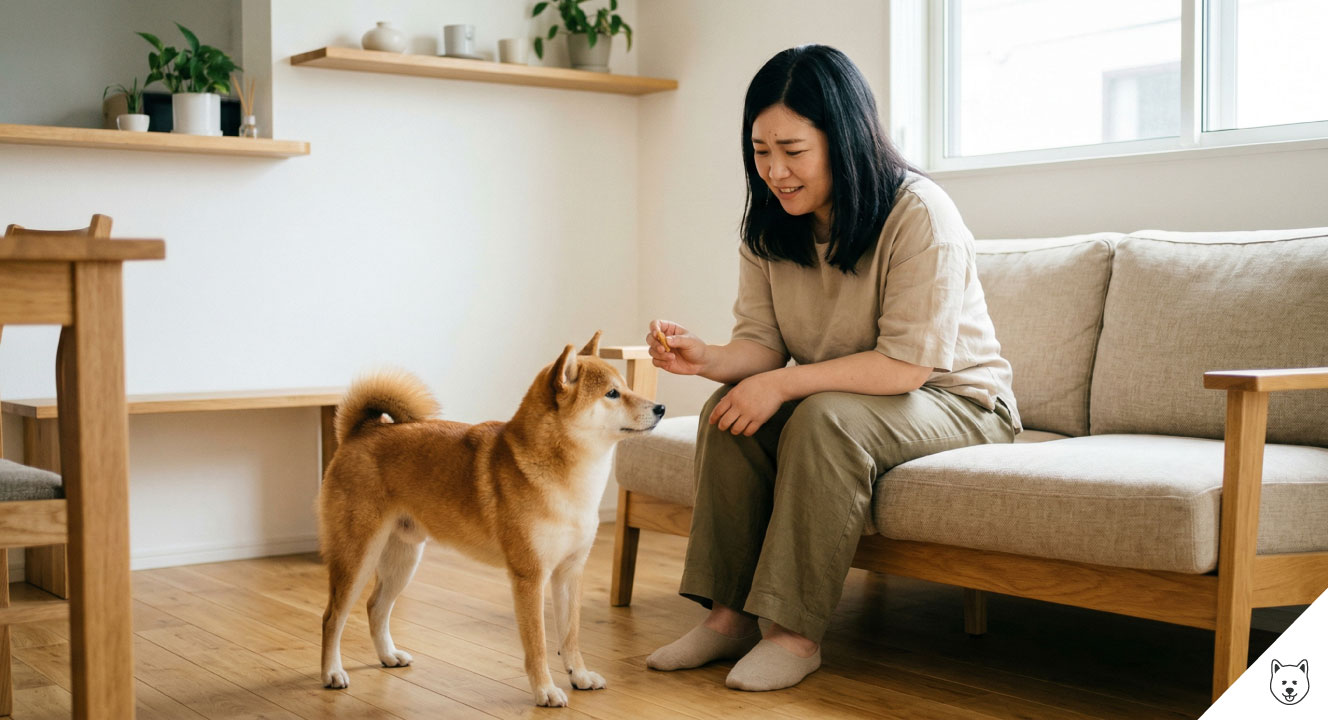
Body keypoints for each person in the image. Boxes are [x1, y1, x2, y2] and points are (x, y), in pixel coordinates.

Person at [642, 44, 1022, 692]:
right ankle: (728, 619)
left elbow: (906, 367)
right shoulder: (770, 222)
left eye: (793, 150)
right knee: (729, 411)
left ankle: (794, 635)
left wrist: (780, 383)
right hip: (856, 397)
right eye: (761, 151)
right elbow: (762, 343)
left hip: (960, 402)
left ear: (842, 139)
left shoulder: (920, 213)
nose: (775, 171)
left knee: (821, 419)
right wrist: (710, 359)